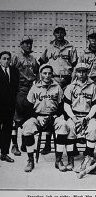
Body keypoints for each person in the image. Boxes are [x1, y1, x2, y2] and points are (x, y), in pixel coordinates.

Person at [38, 26, 78, 155]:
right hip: (53, 81)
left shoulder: (71, 48)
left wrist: (72, 83)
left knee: (67, 112)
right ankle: (48, 144)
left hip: (66, 81)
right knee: (52, 111)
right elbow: (42, 63)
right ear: (54, 34)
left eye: (62, 32)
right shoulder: (49, 48)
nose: (59, 34)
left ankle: (72, 143)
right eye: (57, 32)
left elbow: (75, 66)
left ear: (65, 33)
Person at [21, 64, 67, 172]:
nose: (47, 75)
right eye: (44, 73)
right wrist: (37, 117)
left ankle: (58, 160)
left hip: (53, 116)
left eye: (49, 73)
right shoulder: (35, 87)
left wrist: (55, 116)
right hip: (38, 116)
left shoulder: (57, 87)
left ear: (52, 74)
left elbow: (61, 106)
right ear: (40, 74)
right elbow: (28, 107)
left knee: (63, 125)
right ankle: (30, 160)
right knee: (28, 126)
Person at [64, 63, 96, 171]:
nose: (82, 74)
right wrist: (74, 118)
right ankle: (70, 160)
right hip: (74, 114)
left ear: (87, 72)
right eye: (79, 71)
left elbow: (95, 105)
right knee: (69, 128)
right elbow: (66, 105)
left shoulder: (93, 86)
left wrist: (88, 117)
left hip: (88, 116)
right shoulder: (70, 87)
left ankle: (88, 157)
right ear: (76, 72)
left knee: (93, 129)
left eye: (84, 71)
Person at [11, 35, 39, 155]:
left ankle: (24, 144)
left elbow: (37, 73)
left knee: (27, 118)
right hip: (18, 89)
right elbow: (11, 73)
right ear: (21, 44)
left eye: (30, 43)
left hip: (29, 89)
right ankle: (14, 145)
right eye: (26, 43)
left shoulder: (33, 59)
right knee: (16, 119)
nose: (28, 45)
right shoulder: (16, 57)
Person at [0, 51, 19, 163]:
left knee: (7, 129)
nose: (6, 61)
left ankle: (4, 153)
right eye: (4, 58)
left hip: (10, 106)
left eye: (8, 59)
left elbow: (16, 87)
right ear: (0, 60)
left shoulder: (14, 71)